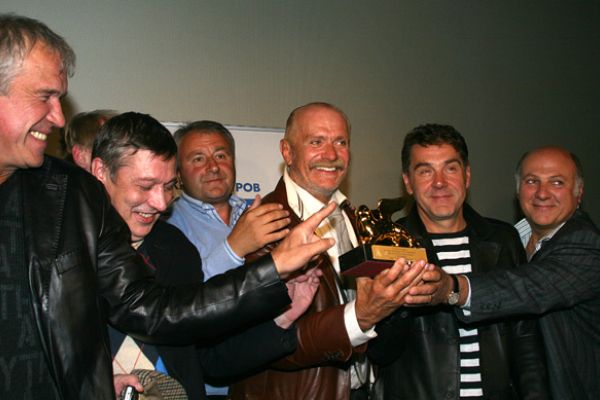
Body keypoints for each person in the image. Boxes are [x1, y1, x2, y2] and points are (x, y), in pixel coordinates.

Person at [0, 14, 335, 399]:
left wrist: (274, 277)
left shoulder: (69, 196)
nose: (59, 117)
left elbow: (162, 319)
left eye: (168, 186)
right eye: (44, 96)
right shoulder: (75, 205)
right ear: (101, 172)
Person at [91, 111, 317, 399]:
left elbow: (209, 362)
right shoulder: (60, 252)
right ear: (101, 172)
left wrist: (282, 319)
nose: (161, 203)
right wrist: (90, 386)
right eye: (145, 186)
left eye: (168, 187)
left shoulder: (176, 247)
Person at [230, 102, 430, 400]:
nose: (331, 154)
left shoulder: (355, 218)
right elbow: (261, 343)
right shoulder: (265, 225)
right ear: (287, 152)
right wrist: (359, 317)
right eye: (316, 142)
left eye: (341, 142)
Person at [367, 124, 548, 399]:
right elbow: (379, 353)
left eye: (450, 168)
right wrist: (398, 300)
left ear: (467, 176)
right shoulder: (387, 246)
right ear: (408, 182)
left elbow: (525, 337)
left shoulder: (503, 240)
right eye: (425, 171)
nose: (439, 182)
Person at [409, 145, 600, 399]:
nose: (542, 193)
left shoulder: (587, 244)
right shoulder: (510, 239)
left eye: (557, 182)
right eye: (532, 181)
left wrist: (454, 288)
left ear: (579, 192)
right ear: (518, 190)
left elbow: (528, 288)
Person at [168, 120, 292, 398]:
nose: (213, 167)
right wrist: (234, 247)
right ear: (178, 173)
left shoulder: (262, 213)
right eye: (198, 158)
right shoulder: (166, 225)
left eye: (221, 155)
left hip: (266, 378)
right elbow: (177, 305)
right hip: (207, 387)